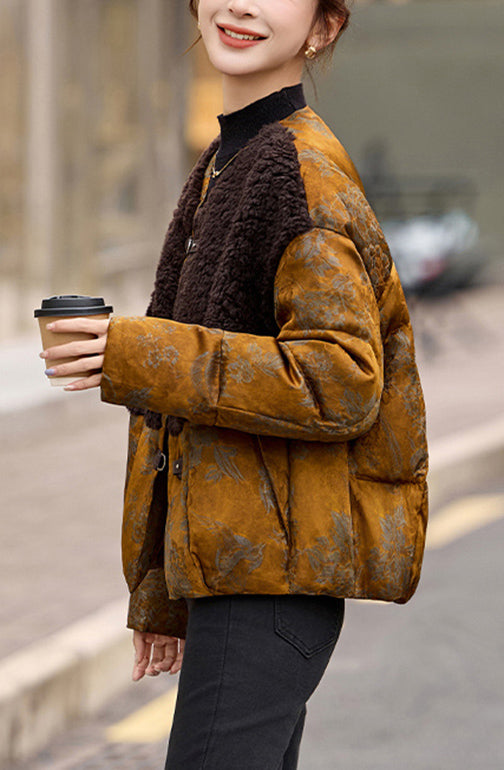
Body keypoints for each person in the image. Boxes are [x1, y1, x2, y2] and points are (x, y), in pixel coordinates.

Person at [39, 0, 428, 767]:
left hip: (271, 590)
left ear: (324, 28)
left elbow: (341, 379)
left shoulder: (298, 171)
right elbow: (190, 427)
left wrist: (134, 351)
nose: (241, 3)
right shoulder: (236, 160)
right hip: (246, 580)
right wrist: (161, 591)